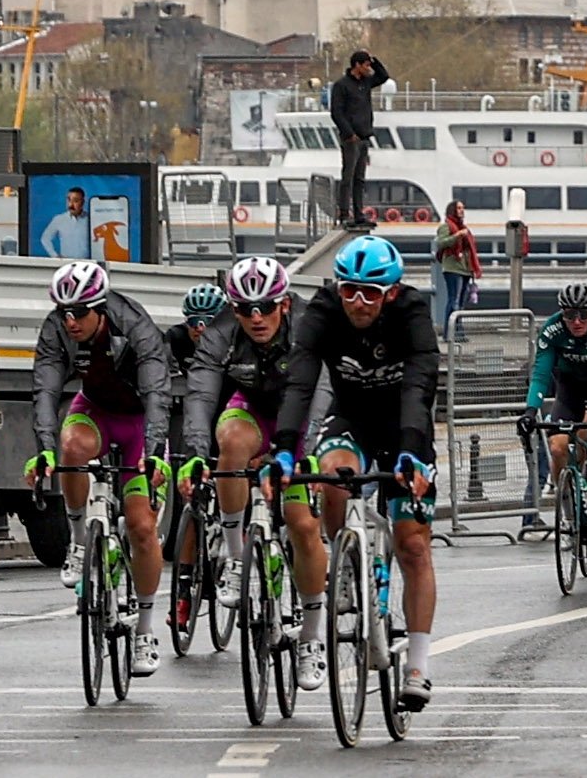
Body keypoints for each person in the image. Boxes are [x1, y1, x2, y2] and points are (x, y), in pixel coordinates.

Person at [275, 236, 441, 708]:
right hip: (350, 418)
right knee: (332, 476)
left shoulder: (412, 312)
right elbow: (301, 381)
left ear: (391, 292)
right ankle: (345, 564)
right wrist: (285, 449)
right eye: (350, 290)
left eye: (371, 292)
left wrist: (411, 450)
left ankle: (419, 665)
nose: (359, 302)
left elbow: (419, 383)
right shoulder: (324, 311)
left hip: (403, 426)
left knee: (412, 544)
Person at [23, 260, 173, 679]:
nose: (71, 321)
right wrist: (45, 450)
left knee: (142, 527)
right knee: (70, 448)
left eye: (80, 313)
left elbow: (159, 393)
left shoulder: (135, 326)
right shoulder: (57, 327)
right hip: (94, 413)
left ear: (101, 309)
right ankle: (76, 541)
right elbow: (46, 390)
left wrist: (157, 450)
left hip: (140, 423)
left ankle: (144, 629)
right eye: (64, 312)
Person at [176, 255, 299, 617]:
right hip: (253, 409)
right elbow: (199, 396)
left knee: (303, 516)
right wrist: (197, 454)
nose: (256, 317)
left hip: (301, 408)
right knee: (229, 442)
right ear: (234, 309)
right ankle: (236, 558)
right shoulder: (219, 335)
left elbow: (320, 397)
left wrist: (294, 451)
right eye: (246, 309)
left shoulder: (306, 328)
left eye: (265, 307)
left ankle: (310, 624)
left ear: (285, 304)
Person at [519, 282, 587, 541]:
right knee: (556, 447)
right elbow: (541, 374)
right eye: (569, 315)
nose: (576, 322)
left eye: (583, 315)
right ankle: (568, 513)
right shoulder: (552, 330)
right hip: (570, 388)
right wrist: (530, 410)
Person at [328, 50, 386, 227]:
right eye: (366, 65)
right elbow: (336, 112)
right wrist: (349, 133)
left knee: (359, 179)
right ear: (357, 65)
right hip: (351, 138)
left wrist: (374, 59)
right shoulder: (342, 85)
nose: (369, 68)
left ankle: (359, 212)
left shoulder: (366, 82)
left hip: (364, 136)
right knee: (348, 176)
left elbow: (383, 76)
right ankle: (344, 213)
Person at [431, 199, 481, 333]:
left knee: (461, 303)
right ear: (453, 210)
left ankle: (459, 332)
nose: (462, 211)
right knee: (454, 300)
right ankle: (450, 333)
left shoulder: (463, 227)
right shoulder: (446, 227)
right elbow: (441, 243)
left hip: (464, 267)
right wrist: (457, 235)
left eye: (462, 208)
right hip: (453, 267)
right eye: (459, 208)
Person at [168, 282, 225, 375]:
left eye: (208, 321)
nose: (200, 328)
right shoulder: (176, 338)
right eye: (193, 321)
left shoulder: (234, 343)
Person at [40, 186, 91, 260]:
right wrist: (55, 256)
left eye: (75, 201)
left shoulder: (90, 219)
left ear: (83, 202)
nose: (71, 205)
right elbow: (45, 238)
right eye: (69, 200)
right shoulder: (59, 219)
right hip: (66, 263)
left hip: (87, 263)